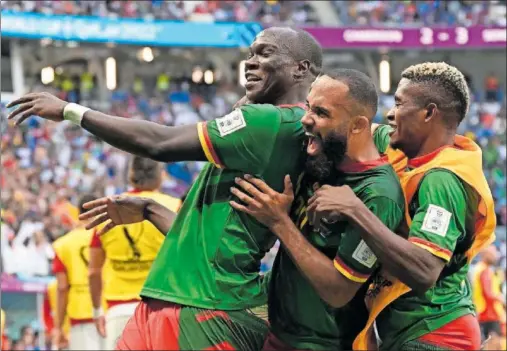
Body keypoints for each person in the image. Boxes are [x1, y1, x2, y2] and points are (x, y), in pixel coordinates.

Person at [8, 27, 323, 349]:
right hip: (177, 294)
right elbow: (210, 242)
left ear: (301, 68)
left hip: (206, 304)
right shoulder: (283, 130)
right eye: (250, 54)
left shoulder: (269, 123)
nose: (250, 63)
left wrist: (70, 111)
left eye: (265, 53)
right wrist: (150, 209)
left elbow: (161, 142)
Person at [306, 62, 496, 350]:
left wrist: (354, 210)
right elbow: (352, 126)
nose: (390, 113)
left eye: (398, 103)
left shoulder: (442, 181)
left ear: (429, 113)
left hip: (435, 334)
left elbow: (424, 271)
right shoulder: (405, 152)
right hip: (407, 330)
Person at [227, 69, 405, 350]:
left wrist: (280, 223)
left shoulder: (378, 195)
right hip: (277, 332)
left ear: (358, 126)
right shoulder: (325, 157)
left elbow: (338, 290)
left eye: (321, 113)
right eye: (308, 106)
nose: (306, 119)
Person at [88, 156, 180, 350]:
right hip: (164, 305)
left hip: (118, 309)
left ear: (131, 176)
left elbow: (93, 271)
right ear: (160, 176)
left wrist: (97, 312)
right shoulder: (175, 207)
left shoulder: (108, 208)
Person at [51, 194, 104, 350]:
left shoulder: (62, 244)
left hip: (79, 314)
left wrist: (58, 327)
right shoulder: (107, 236)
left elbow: (62, 288)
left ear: (80, 213)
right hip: (106, 310)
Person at [473, 245, 506, 350]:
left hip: (483, 312)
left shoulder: (479, 268)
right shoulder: (484, 270)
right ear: (486, 254)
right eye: (493, 253)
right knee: (494, 343)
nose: (496, 256)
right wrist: (501, 298)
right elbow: (489, 293)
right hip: (490, 313)